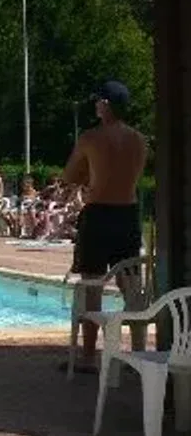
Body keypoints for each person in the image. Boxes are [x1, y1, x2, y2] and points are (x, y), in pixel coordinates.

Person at [62, 81, 147, 374]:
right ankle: (139, 355)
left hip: (99, 214)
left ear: (106, 105)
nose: (95, 105)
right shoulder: (140, 140)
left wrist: (89, 174)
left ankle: (88, 357)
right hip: (128, 215)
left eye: (98, 101)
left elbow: (71, 175)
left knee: (92, 286)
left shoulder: (90, 138)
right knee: (132, 287)